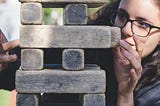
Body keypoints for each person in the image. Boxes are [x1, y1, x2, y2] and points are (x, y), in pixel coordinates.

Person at [89, 0, 160, 106]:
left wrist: (125, 95)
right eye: (121, 16)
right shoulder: (89, 50)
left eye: (142, 24)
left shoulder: (155, 92)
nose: (125, 30)